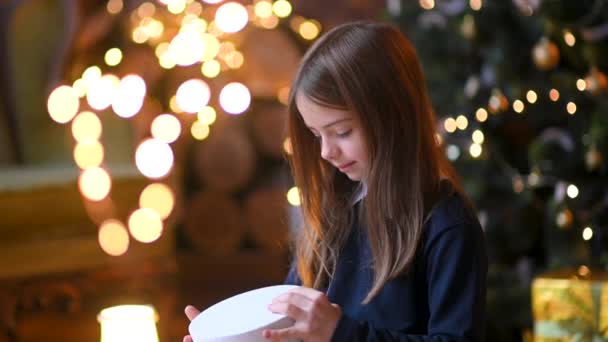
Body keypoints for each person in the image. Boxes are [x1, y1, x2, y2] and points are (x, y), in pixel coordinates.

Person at [183, 20, 487, 341]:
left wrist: (341, 332)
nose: (327, 152)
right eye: (316, 135)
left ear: (392, 117)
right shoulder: (334, 211)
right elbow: (294, 327)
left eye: (342, 132)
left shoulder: (446, 224)